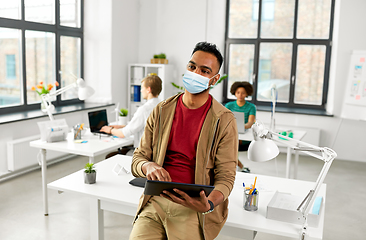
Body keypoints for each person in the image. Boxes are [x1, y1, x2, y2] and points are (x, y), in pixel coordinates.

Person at [129, 42, 238, 240]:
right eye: (192, 66)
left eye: (204, 71)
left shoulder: (224, 120)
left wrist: (209, 204)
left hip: (192, 208)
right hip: (155, 202)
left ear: (214, 80)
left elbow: (226, 177)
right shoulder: (161, 110)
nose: (196, 73)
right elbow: (138, 158)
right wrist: (148, 166)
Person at [100, 74, 162, 156]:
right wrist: (121, 126)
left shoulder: (144, 109)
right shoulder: (162, 106)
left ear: (148, 89)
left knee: (110, 155)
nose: (140, 90)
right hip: (158, 152)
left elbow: (124, 134)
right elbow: (144, 125)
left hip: (143, 154)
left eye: (142, 87)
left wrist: (110, 130)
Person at [225, 81, 256, 173]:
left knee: (229, 145)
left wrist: (242, 127)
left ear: (247, 94)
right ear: (234, 92)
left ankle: (240, 167)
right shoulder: (229, 105)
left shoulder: (251, 107)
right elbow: (225, 120)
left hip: (244, 134)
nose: (240, 95)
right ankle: (240, 167)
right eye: (238, 92)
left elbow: (250, 123)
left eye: (243, 93)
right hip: (230, 131)